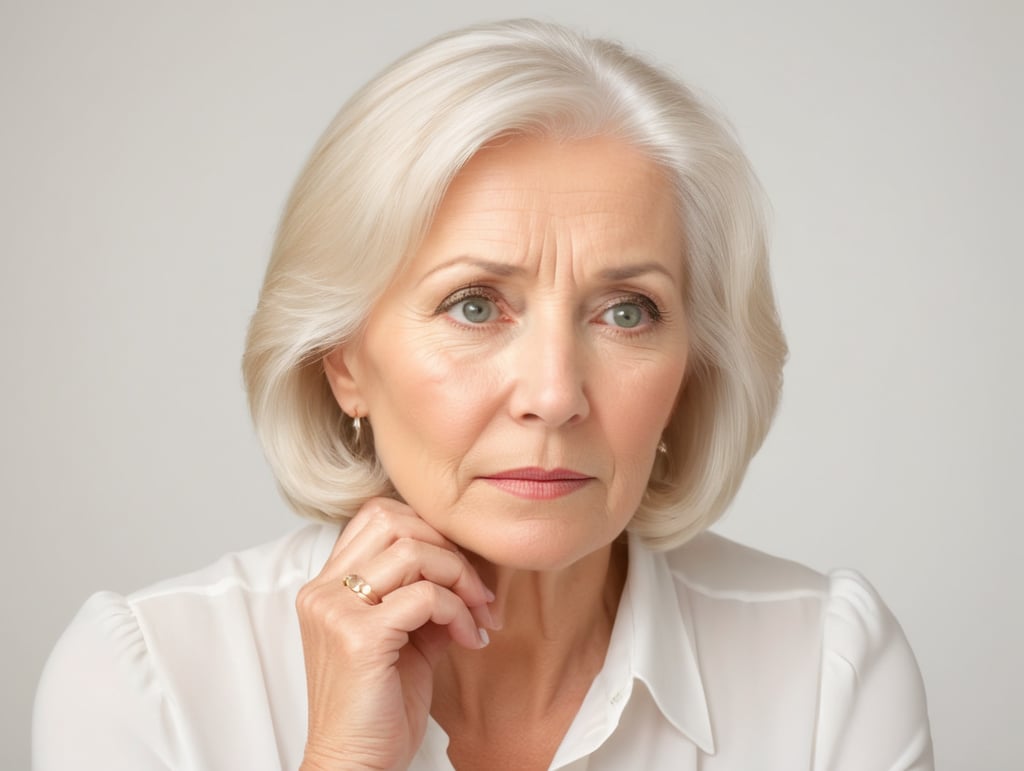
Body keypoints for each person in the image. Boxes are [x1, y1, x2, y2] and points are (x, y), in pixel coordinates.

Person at [33, 19, 933, 771]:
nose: (552, 395)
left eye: (627, 310)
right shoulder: (144, 680)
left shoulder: (829, 667)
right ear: (344, 360)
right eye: (474, 305)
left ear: (693, 365)